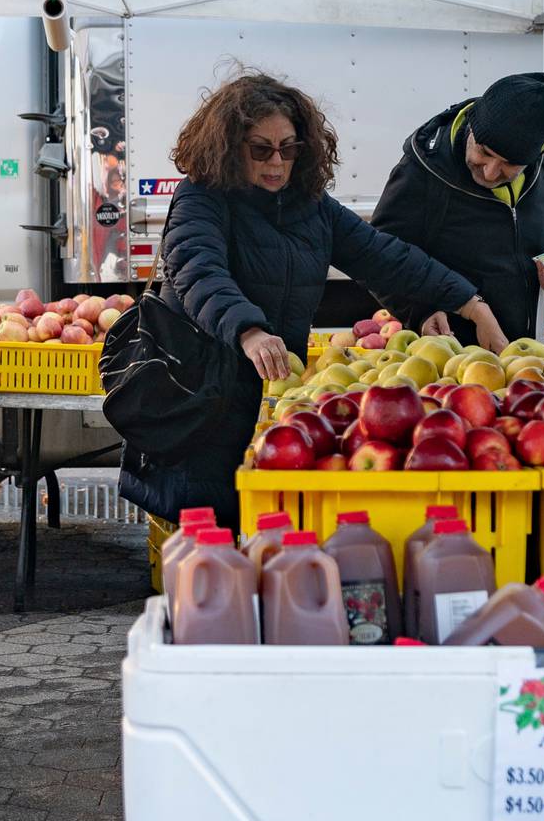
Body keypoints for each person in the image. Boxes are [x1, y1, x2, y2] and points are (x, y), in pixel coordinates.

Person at [118, 73, 505, 530]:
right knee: (206, 540)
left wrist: (471, 304)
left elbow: (385, 256)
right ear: (228, 146)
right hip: (201, 397)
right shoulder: (201, 198)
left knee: (264, 532)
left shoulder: (312, 206)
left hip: (272, 394)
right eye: (261, 149)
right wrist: (249, 329)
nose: (277, 162)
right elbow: (198, 272)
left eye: (289, 147)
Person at [370, 72, 544, 349]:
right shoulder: (423, 168)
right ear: (471, 127)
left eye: (509, 165)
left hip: (524, 350)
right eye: (484, 152)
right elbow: (379, 255)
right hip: (449, 356)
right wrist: (419, 311)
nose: (491, 173)